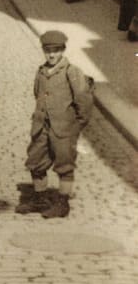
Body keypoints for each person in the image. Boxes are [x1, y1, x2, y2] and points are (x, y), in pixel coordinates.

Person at [15, 30, 93, 219]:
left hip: (64, 129)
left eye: (56, 50)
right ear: (43, 50)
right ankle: (40, 198)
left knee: (64, 164)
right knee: (35, 160)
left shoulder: (71, 72)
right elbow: (37, 93)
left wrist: (76, 125)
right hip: (42, 126)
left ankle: (62, 204)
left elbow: (84, 100)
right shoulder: (41, 71)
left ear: (63, 50)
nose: (52, 55)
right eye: (48, 50)